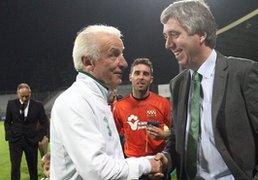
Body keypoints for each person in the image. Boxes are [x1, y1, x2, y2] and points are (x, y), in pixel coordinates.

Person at [154, 1, 258, 179]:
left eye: (174, 34)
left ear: (201, 34)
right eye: (165, 36)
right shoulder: (177, 84)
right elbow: (177, 139)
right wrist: (166, 159)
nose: (168, 44)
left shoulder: (244, 73)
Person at [50, 25, 162, 179]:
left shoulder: (97, 99)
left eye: (121, 54)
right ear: (88, 62)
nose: (123, 63)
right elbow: (97, 172)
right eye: (114, 55)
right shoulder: (74, 102)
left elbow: (111, 160)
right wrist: (147, 164)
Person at [113, 58, 171, 158]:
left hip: (158, 161)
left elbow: (175, 132)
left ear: (151, 79)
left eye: (145, 74)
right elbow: (113, 136)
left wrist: (164, 135)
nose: (141, 77)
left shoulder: (163, 103)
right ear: (131, 77)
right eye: (137, 73)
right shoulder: (119, 106)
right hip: (132, 164)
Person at [4, 83, 49, 180]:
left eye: (27, 96)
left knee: (33, 168)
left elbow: (44, 123)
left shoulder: (38, 105)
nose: (24, 98)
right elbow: (7, 122)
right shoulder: (11, 104)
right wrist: (9, 135)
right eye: (22, 96)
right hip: (15, 141)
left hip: (31, 141)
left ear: (30, 93)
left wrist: (39, 137)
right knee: (15, 167)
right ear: (17, 93)